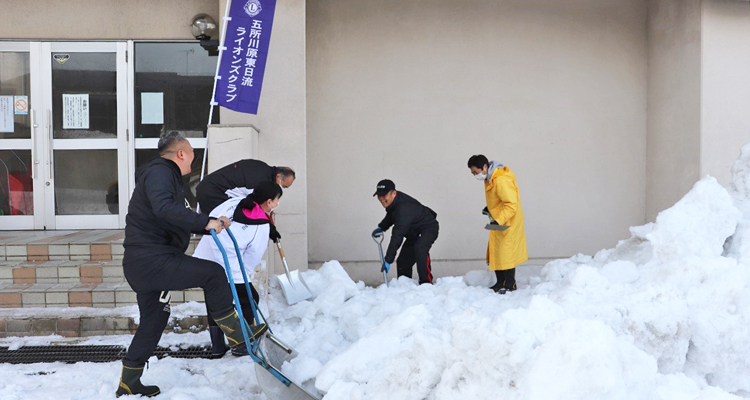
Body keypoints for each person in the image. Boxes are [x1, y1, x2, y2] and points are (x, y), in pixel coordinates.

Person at [116, 132, 267, 398]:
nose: (192, 164)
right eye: (192, 157)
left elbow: (172, 216)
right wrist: (204, 223)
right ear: (181, 154)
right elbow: (164, 208)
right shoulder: (161, 172)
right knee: (213, 274)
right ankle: (237, 334)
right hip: (152, 259)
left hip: (147, 261)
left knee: (155, 318)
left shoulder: (164, 177)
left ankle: (130, 380)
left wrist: (211, 224)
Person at [193, 181, 283, 357]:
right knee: (250, 298)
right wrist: (242, 277)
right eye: (277, 199)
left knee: (215, 302)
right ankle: (242, 342)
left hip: (205, 259)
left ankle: (218, 346)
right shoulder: (259, 227)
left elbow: (213, 216)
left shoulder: (236, 202)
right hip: (226, 263)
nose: (278, 203)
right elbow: (251, 259)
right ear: (270, 202)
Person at [467, 154, 528, 294]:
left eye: (476, 172)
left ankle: (510, 284)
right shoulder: (490, 178)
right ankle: (500, 282)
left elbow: (511, 204)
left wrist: (498, 220)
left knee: (505, 253)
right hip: (499, 220)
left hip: (507, 221)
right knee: (497, 251)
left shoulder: (500, 180)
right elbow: (498, 199)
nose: (475, 176)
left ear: (485, 167)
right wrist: (489, 209)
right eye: (473, 173)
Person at [371, 179, 439, 284]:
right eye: (379, 195)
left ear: (393, 193)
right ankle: (404, 286)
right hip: (414, 232)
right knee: (403, 260)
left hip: (428, 228)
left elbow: (397, 236)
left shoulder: (403, 209)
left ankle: (426, 284)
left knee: (420, 249)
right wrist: (381, 227)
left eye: (384, 195)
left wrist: (388, 260)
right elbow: (391, 216)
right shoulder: (394, 203)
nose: (381, 198)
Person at [196, 159, 295, 214]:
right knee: (221, 227)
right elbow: (255, 206)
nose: (281, 188)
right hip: (213, 192)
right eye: (284, 186)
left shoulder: (262, 168)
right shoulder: (261, 181)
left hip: (209, 188)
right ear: (278, 176)